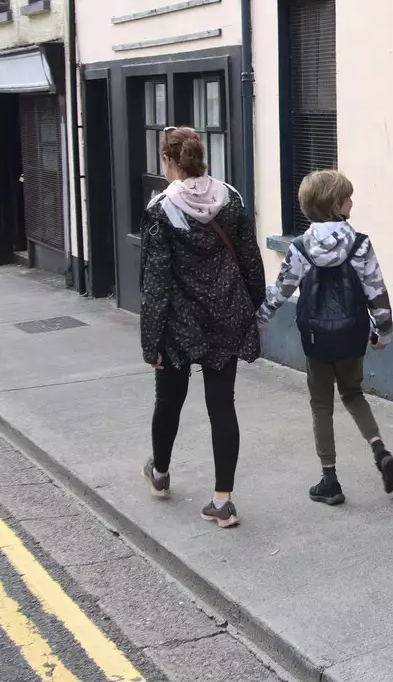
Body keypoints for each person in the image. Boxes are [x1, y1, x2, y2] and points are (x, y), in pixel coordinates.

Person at [139, 126, 265, 529]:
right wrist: (253, 310)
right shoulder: (232, 200)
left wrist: (151, 343)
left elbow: (155, 282)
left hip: (180, 323)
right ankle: (222, 501)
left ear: (167, 161)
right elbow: (251, 262)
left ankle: (159, 474)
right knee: (221, 405)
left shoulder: (160, 211)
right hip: (226, 314)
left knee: (169, 399)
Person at [257, 169, 393, 506]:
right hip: (352, 335)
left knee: (321, 405)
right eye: (348, 197)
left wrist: (258, 323)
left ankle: (330, 480)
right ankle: (380, 451)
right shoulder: (360, 244)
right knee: (353, 394)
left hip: (316, 338)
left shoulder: (299, 247)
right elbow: (376, 292)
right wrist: (383, 332)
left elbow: (280, 291)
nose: (352, 201)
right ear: (335, 205)